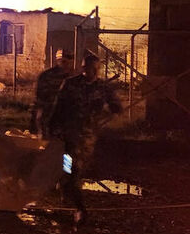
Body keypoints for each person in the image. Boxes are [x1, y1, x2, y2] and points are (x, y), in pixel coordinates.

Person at [49, 50, 123, 222]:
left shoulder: (103, 88)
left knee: (75, 169)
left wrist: (105, 113)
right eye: (87, 68)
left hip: (88, 137)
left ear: (97, 69)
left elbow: (116, 108)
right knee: (70, 166)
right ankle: (79, 207)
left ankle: (67, 186)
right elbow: (58, 108)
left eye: (94, 69)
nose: (90, 72)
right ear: (83, 68)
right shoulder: (70, 84)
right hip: (69, 134)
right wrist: (52, 128)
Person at [31, 49, 75, 138]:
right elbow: (38, 98)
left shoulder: (74, 77)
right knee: (46, 143)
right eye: (62, 61)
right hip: (48, 115)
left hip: (67, 117)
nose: (65, 64)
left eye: (68, 61)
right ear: (57, 61)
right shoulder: (46, 76)